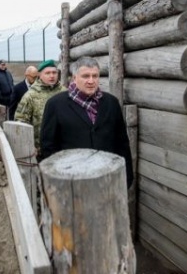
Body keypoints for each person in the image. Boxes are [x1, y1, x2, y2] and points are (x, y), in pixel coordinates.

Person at [40, 56, 133, 188]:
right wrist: (57, 181)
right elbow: (48, 145)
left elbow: (122, 142)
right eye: (85, 76)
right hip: (72, 182)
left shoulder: (111, 103)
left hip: (107, 179)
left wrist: (127, 177)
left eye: (95, 76)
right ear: (74, 78)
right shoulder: (55, 104)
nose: (91, 81)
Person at [15, 60, 66, 152]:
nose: (51, 76)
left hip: (63, 147)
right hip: (41, 150)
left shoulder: (64, 92)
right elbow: (21, 122)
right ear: (40, 75)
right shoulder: (31, 95)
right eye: (47, 73)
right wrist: (29, 145)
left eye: (54, 72)